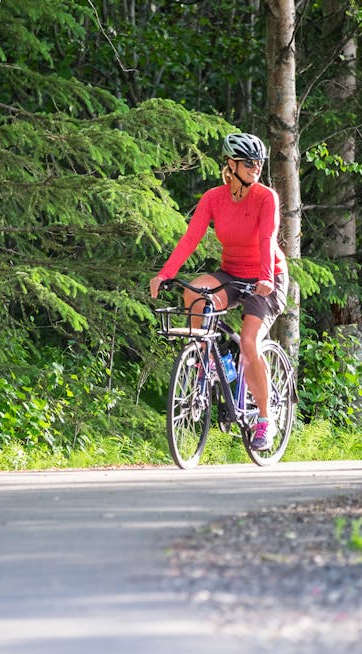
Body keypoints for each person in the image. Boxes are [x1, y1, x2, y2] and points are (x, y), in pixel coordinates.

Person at [150, 132, 288, 450]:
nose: (256, 168)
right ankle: (206, 358)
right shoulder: (214, 198)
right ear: (231, 164)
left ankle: (265, 420)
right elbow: (190, 238)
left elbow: (267, 238)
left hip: (267, 278)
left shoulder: (266, 197)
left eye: (259, 163)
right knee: (195, 292)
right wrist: (165, 274)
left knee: (250, 341)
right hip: (231, 274)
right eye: (249, 162)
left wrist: (266, 277)